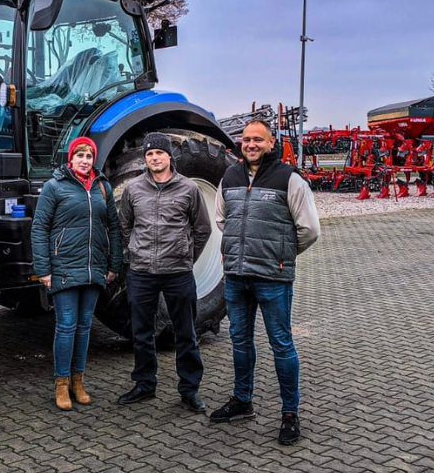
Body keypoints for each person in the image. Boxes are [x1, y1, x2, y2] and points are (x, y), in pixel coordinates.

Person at [210, 119, 320, 445]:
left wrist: (280, 254)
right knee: (240, 341)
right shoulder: (229, 177)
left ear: (271, 143)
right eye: (246, 139)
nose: (251, 144)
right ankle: (242, 400)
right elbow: (222, 219)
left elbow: (309, 229)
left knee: (281, 344)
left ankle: (290, 414)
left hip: (272, 276)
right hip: (236, 276)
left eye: (258, 139)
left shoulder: (289, 179)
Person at [116, 132, 212, 413]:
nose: (154, 158)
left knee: (186, 333)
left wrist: (186, 256)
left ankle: (189, 389)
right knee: (142, 333)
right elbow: (125, 226)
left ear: (169, 156)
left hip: (177, 273)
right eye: (149, 154)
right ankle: (144, 383)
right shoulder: (133, 189)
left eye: (159, 153)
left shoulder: (188, 189)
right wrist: (134, 252)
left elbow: (202, 229)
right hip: (142, 272)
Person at [32, 136, 123, 410]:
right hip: (64, 266)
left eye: (89, 156)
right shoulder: (54, 187)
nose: (85, 161)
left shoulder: (102, 187)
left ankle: (78, 381)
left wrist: (113, 264)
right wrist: (43, 269)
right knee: (66, 326)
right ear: (70, 159)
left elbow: (114, 228)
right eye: (80, 156)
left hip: (94, 267)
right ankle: (61, 383)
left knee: (84, 327)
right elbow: (39, 228)